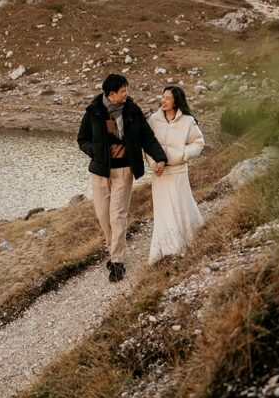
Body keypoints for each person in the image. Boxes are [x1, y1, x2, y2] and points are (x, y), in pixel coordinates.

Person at [77, 73, 167, 282]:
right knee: (103, 216)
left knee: (117, 215)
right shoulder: (93, 111)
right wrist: (95, 152)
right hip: (100, 172)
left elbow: (147, 138)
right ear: (111, 94)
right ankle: (113, 250)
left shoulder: (132, 111)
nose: (127, 94)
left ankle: (117, 262)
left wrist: (160, 157)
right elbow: (82, 139)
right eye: (123, 91)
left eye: (127, 90)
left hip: (124, 171)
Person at [147, 85, 205, 263]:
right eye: (162, 97)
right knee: (164, 211)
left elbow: (199, 143)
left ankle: (187, 244)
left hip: (179, 172)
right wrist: (153, 163)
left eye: (168, 98)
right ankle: (165, 250)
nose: (163, 101)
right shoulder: (153, 119)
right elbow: (147, 144)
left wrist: (183, 154)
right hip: (160, 175)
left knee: (181, 207)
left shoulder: (188, 121)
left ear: (176, 102)